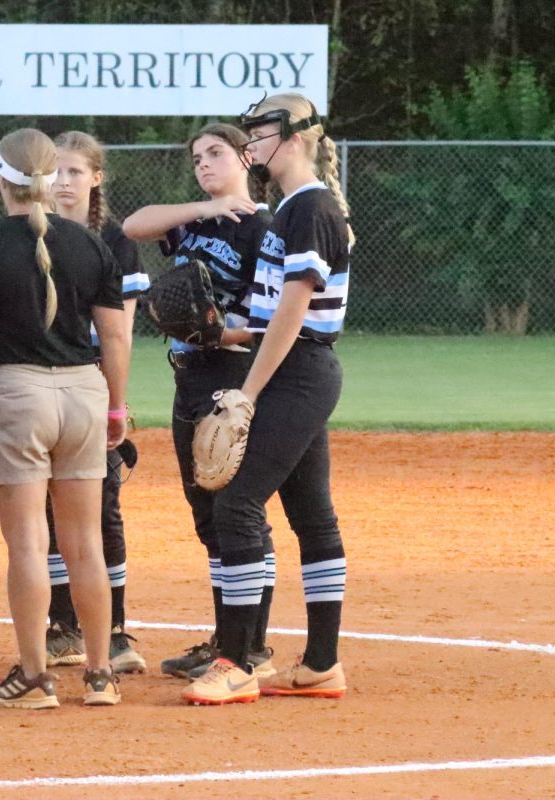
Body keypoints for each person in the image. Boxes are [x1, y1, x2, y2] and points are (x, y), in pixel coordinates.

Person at [179, 93, 352, 705]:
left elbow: (293, 311)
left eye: (261, 133)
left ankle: (237, 661)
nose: (251, 143)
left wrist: (247, 392)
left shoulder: (308, 209)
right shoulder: (291, 211)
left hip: (296, 371)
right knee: (311, 516)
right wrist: (210, 331)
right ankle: (322, 664)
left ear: (297, 138)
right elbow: (261, 318)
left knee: (236, 506)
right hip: (294, 366)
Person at [0, 128, 130, 710]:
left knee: (29, 546)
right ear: (54, 180)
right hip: (84, 393)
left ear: (0, 179)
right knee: (85, 546)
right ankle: (100, 675)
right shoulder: (91, 245)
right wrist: (116, 405)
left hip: (17, 394)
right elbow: (116, 334)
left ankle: (34, 677)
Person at [122, 123, 277, 682]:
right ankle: (226, 637)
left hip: (230, 375)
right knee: (207, 516)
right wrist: (204, 207)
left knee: (239, 512)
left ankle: (249, 643)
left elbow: (271, 321)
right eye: (196, 158)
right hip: (188, 376)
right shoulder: (193, 221)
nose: (204, 164)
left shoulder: (263, 229)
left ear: (246, 158)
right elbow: (133, 225)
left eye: (216, 153)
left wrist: (222, 334)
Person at [42, 131, 149, 675]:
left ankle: (113, 630)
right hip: (42, 379)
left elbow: (120, 334)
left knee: (101, 507)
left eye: (75, 172)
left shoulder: (115, 241)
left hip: (90, 382)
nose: (63, 182)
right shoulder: (32, 234)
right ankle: (63, 627)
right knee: (46, 509)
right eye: (55, 172)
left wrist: (117, 401)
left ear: (96, 178)